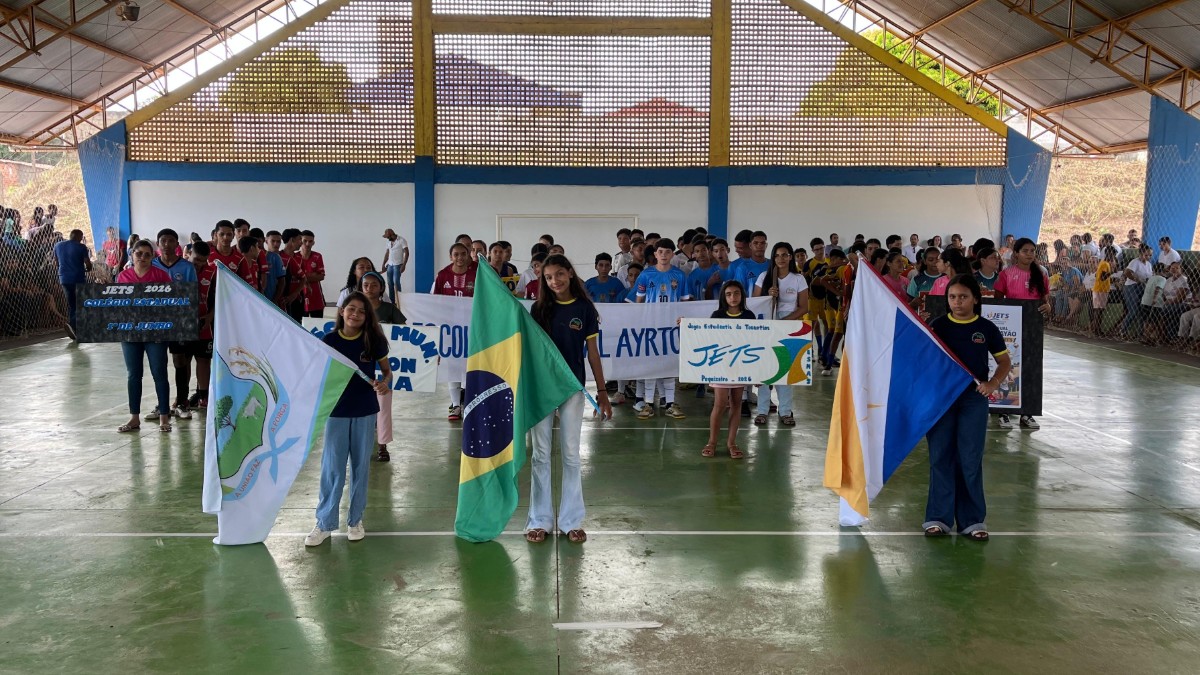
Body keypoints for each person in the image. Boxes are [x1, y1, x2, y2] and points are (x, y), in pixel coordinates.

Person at [525, 255, 613, 544]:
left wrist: (602, 392)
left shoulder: (584, 309)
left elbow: (593, 353)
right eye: (549, 277)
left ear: (570, 273)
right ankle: (539, 520)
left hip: (573, 388)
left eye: (559, 274)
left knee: (572, 454)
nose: (555, 281)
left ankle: (571, 521)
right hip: (541, 389)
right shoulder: (539, 310)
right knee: (540, 454)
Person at [923, 274, 1012, 541]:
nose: (957, 302)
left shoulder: (986, 328)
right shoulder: (937, 326)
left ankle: (972, 521)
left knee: (970, 458)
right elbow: (923, 358)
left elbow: (1004, 362)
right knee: (940, 456)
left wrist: (993, 383)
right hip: (942, 399)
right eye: (952, 297)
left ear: (975, 298)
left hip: (973, 400)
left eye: (963, 297)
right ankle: (937, 517)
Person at [305, 292, 391, 546]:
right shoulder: (329, 340)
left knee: (360, 468)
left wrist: (385, 383)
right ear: (341, 311)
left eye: (361, 311)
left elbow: (386, 371)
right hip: (337, 411)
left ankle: (355, 520)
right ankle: (324, 523)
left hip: (365, 410)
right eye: (350, 309)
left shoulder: (372, 340)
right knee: (332, 468)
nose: (355, 314)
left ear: (367, 317)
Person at [116, 240, 174, 434]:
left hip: (155, 331)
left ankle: (164, 416)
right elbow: (117, 305)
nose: (142, 257)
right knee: (133, 374)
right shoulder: (123, 276)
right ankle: (134, 418)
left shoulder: (162, 276)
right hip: (131, 332)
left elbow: (172, 303)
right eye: (138, 253)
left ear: (153, 256)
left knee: (159, 372)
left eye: (147, 254)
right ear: (132, 255)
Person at [993, 237, 1050, 430]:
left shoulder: (1041, 274)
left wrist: (1047, 306)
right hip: (1011, 327)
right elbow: (999, 300)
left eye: (1032, 251)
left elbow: (1045, 299)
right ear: (1016, 253)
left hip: (1033, 326)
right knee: (1009, 366)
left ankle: (1027, 413)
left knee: (1031, 366)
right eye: (1025, 251)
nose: (1029, 254)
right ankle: (1004, 411)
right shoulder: (1007, 274)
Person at [752, 242, 809, 426]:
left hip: (789, 323)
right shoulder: (765, 276)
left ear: (790, 257)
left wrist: (785, 323)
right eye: (777, 255)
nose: (781, 259)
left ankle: (785, 411)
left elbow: (804, 306)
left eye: (785, 255)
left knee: (785, 368)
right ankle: (762, 410)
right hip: (767, 322)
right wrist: (769, 295)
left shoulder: (798, 278)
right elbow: (755, 303)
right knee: (765, 369)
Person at [634, 240, 691, 419]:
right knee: (651, 364)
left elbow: (686, 302)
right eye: (660, 251)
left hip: (672, 327)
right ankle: (648, 403)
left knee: (669, 363)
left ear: (672, 254)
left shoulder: (679, 275)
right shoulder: (645, 275)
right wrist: (638, 321)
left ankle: (671, 403)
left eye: (667, 251)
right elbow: (639, 301)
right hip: (651, 327)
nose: (664, 255)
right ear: (655, 254)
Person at [700, 280, 755, 459]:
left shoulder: (748, 315)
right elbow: (706, 336)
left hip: (741, 365)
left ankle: (732, 442)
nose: (733, 297)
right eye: (729, 294)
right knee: (720, 403)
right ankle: (712, 442)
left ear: (742, 295)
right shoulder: (717, 315)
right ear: (724, 296)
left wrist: (759, 373)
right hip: (721, 365)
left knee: (737, 402)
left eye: (736, 293)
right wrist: (685, 325)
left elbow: (756, 343)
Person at [360, 271, 405, 462]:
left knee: (383, 405)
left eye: (374, 285)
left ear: (381, 288)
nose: (369, 288)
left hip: (384, 366)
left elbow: (407, 334)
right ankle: (360, 446)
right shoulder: (356, 309)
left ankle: (382, 446)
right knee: (360, 407)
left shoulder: (390, 309)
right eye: (365, 285)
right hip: (360, 366)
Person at [433, 242, 475, 420]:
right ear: (451, 256)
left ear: (468, 255)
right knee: (452, 365)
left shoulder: (477, 273)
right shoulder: (443, 275)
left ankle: (470, 403)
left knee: (470, 364)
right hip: (450, 329)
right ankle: (455, 404)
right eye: (456, 254)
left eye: (463, 254)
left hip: (472, 327)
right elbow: (434, 302)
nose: (460, 257)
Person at [53, 229, 91, 340]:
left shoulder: (58, 245)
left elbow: (56, 262)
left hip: (64, 278)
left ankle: (73, 326)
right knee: (81, 302)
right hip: (78, 278)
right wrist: (88, 269)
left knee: (72, 304)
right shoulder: (81, 247)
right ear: (79, 237)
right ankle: (75, 325)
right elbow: (88, 264)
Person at [298, 230, 326, 318]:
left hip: (316, 295)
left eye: (310, 241)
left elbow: (321, 276)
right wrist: (313, 275)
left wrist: (302, 277)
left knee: (317, 323)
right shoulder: (294, 257)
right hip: (299, 294)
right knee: (300, 323)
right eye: (304, 241)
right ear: (300, 241)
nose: (307, 244)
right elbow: (293, 277)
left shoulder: (317, 256)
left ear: (313, 242)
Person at [1091, 245, 1117, 337]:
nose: (1114, 257)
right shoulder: (1105, 264)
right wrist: (1112, 272)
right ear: (1110, 254)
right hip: (1100, 290)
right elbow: (1102, 277)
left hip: (1100, 289)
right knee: (1099, 311)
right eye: (1113, 255)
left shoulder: (1103, 263)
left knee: (1099, 310)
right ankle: (1097, 330)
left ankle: (1097, 329)